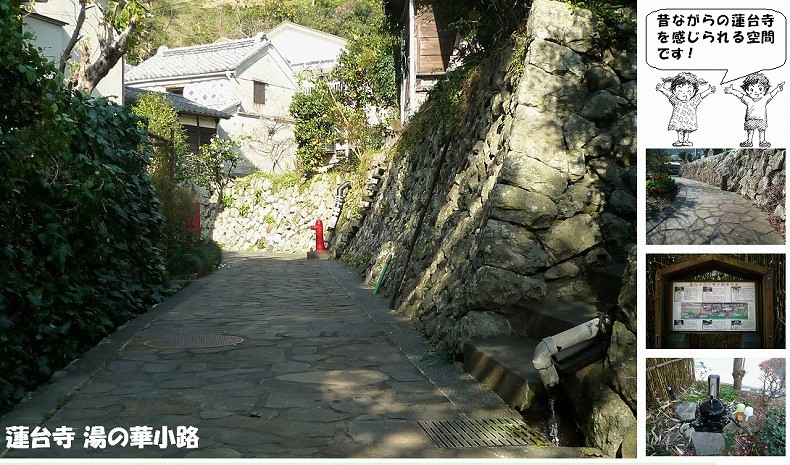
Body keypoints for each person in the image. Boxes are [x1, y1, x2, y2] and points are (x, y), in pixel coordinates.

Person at [724, 72, 785, 147]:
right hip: (750, 118)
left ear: (765, 90)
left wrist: (778, 89)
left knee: (762, 130)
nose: (756, 92)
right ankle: (749, 141)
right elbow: (740, 95)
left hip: (761, 119)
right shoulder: (748, 99)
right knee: (750, 130)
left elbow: (772, 94)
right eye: (752, 89)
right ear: (747, 91)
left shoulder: (764, 99)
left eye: (760, 89)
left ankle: (762, 141)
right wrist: (732, 91)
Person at [656, 72, 716, 147]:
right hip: (679, 120)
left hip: (688, 120)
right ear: (674, 91)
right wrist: (662, 89)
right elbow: (669, 94)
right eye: (680, 91)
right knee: (680, 130)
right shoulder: (676, 101)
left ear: (694, 91)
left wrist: (709, 91)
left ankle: (686, 140)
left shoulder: (693, 101)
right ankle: (680, 141)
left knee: (687, 130)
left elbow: (701, 96)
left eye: (689, 91)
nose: (685, 94)